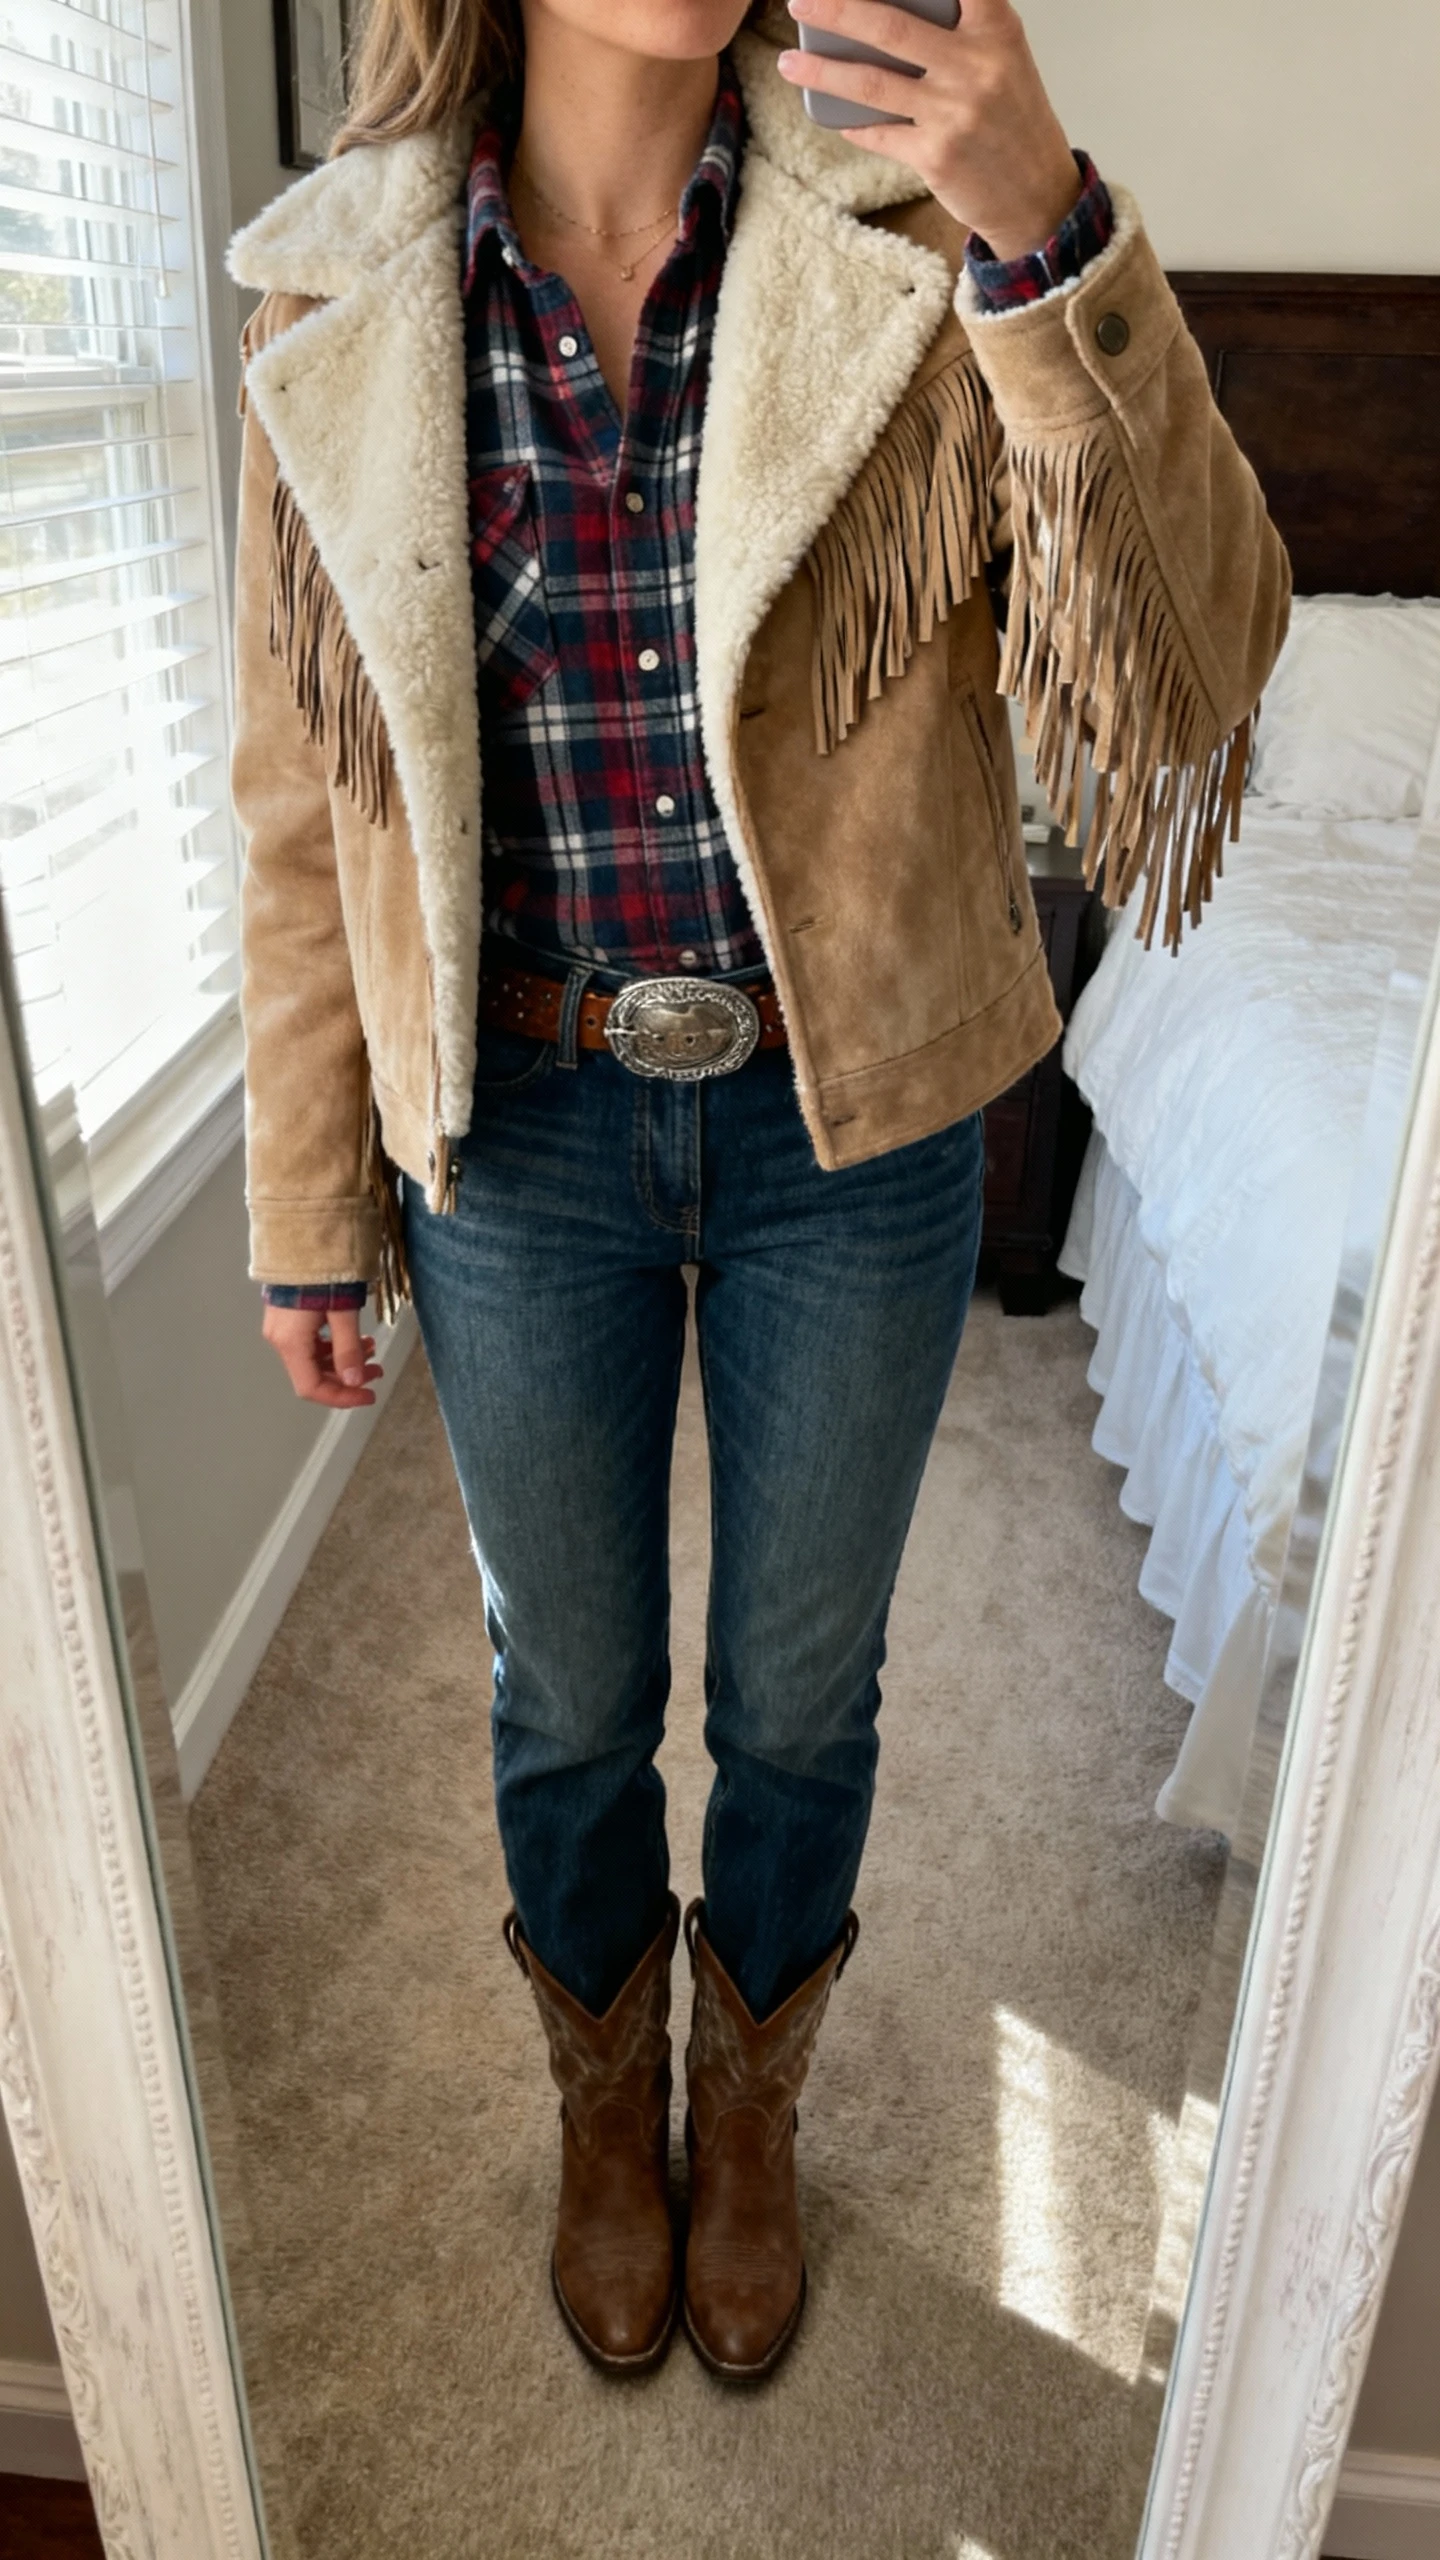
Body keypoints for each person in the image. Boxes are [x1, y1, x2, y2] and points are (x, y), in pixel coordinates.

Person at [229, 0, 1289, 2383]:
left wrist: (1052, 234)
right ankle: (611, 2110)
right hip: (522, 1137)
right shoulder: (341, 294)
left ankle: (756, 2103)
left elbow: (1196, 674)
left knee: (803, 1696)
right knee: (564, 1690)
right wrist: (316, 1193)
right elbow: (309, 798)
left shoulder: (919, 238)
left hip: (865, 1126)